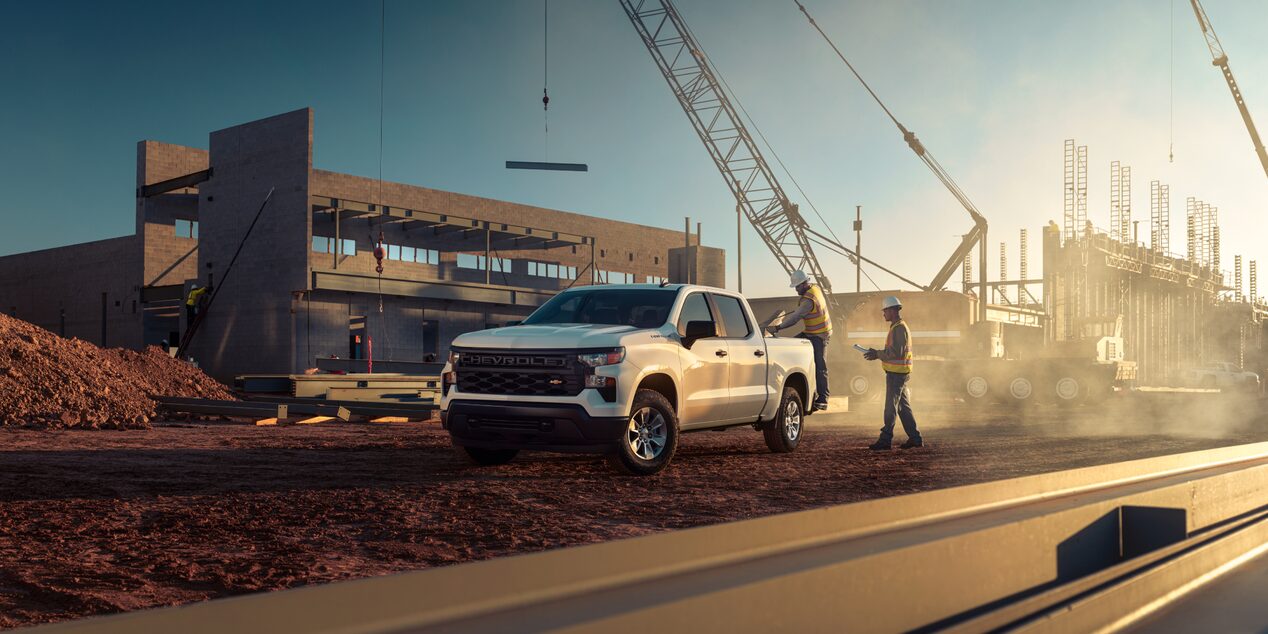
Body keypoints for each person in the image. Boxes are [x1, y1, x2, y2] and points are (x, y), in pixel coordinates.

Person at [864, 295, 922, 450]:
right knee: (903, 408)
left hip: (897, 374)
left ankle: (885, 440)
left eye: (885, 310)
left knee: (890, 406)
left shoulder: (899, 328)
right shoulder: (898, 327)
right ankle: (915, 438)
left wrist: (877, 354)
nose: (883, 313)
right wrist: (877, 354)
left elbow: (897, 352)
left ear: (893, 310)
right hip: (897, 373)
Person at [768, 270, 831, 411]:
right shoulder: (814, 289)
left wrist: (778, 328)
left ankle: (823, 398)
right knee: (792, 348)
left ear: (804, 283)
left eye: (797, 286)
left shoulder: (809, 300)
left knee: (820, 367)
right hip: (810, 332)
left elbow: (795, 318)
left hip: (819, 335)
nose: (796, 289)